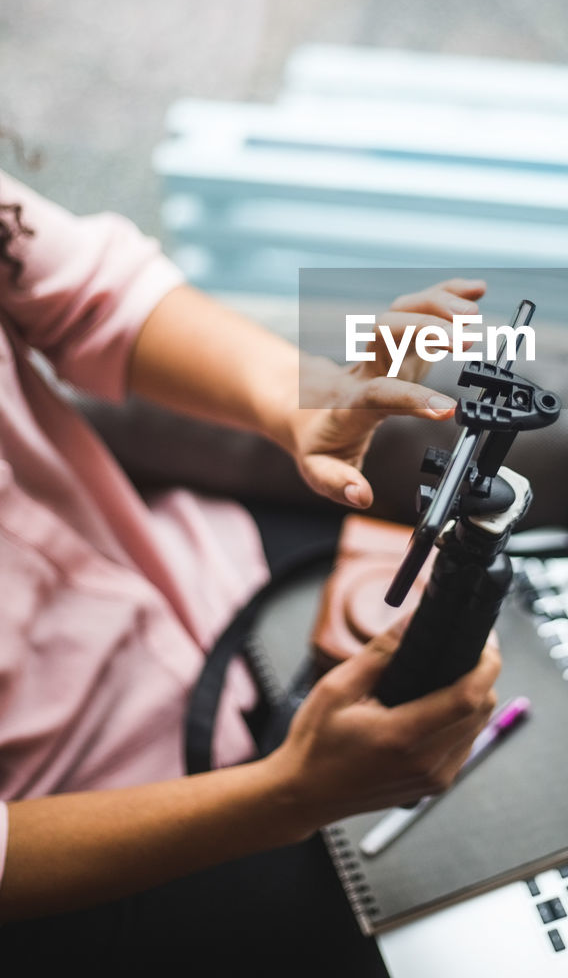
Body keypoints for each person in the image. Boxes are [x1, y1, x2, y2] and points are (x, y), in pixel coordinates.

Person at [0, 168, 500, 972]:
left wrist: (306, 401)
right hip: (112, 840)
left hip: (207, 568)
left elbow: (92, 296)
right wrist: (290, 797)